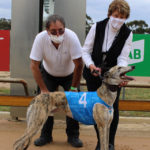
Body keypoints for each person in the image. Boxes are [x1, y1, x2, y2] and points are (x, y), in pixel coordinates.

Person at [82, 0, 132, 150]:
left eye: (122, 17)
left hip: (113, 75)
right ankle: (100, 142)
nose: (119, 20)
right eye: (116, 16)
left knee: (113, 108)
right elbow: (85, 50)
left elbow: (123, 58)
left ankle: (110, 143)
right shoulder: (97, 26)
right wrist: (91, 65)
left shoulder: (128, 33)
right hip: (93, 72)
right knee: (97, 108)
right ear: (110, 14)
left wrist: (121, 75)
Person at [30, 14, 83, 148]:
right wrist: (43, 89)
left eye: (61, 30)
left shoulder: (72, 37)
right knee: (46, 103)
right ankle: (45, 135)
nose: (58, 34)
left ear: (65, 28)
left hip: (70, 74)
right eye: (53, 31)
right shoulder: (40, 39)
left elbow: (79, 64)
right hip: (48, 73)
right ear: (47, 31)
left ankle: (73, 136)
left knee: (73, 104)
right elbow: (34, 65)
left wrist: (73, 88)